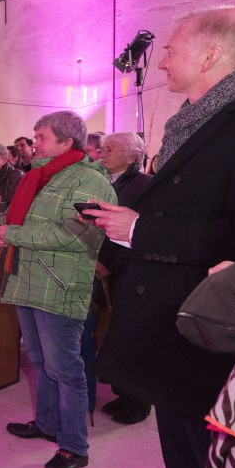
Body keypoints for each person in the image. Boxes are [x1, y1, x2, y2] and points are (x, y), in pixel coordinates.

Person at [91, 6, 235, 468]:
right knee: (182, 458)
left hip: (207, 329)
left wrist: (144, 232)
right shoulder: (199, 118)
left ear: (211, 54)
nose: (159, 59)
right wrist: (132, 231)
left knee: (208, 466)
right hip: (174, 322)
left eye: (171, 47)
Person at [0, 111, 115, 468]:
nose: (34, 142)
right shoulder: (41, 176)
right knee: (41, 362)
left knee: (66, 367)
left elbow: (79, 235)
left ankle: (74, 445)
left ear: (67, 142)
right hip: (29, 278)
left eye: (41, 137)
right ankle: (46, 422)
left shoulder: (89, 179)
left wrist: (13, 235)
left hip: (59, 284)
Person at [92, 132, 152, 424]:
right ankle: (122, 393)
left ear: (131, 156)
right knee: (112, 333)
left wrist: (110, 264)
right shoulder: (102, 181)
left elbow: (140, 232)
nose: (103, 154)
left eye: (110, 149)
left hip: (128, 270)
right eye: (102, 149)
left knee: (132, 336)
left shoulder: (145, 186)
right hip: (102, 263)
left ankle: (137, 401)